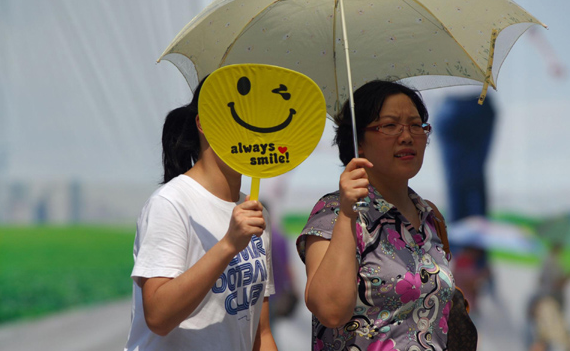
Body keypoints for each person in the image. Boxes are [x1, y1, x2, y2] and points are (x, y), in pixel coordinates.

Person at [297, 80, 454, 350]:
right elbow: (330, 311)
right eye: (390, 126)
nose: (407, 136)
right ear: (359, 143)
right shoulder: (334, 212)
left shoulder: (430, 216)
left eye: (416, 125)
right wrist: (348, 213)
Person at [124, 79, 278, 351]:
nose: (253, 128)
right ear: (203, 123)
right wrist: (229, 244)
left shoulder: (255, 212)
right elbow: (158, 317)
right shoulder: (171, 204)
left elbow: (259, 331)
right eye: (240, 115)